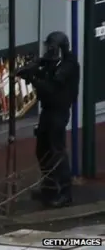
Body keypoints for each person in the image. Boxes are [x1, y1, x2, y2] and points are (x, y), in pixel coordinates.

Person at [18, 31, 79, 207]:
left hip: (58, 112)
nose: (49, 51)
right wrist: (32, 68)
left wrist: (33, 78)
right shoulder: (53, 63)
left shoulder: (69, 65)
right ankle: (49, 188)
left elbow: (52, 88)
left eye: (52, 47)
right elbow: (42, 68)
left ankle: (65, 192)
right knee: (42, 150)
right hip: (48, 111)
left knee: (57, 152)